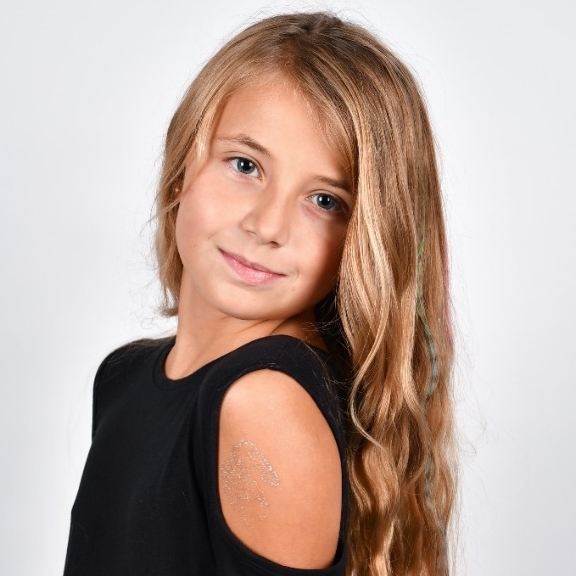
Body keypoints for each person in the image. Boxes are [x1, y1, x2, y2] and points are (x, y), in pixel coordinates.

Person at [64, 12, 455, 576]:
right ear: (182, 164)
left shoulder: (264, 403)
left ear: (365, 240)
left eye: (325, 201)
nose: (268, 225)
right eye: (245, 165)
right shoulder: (122, 378)